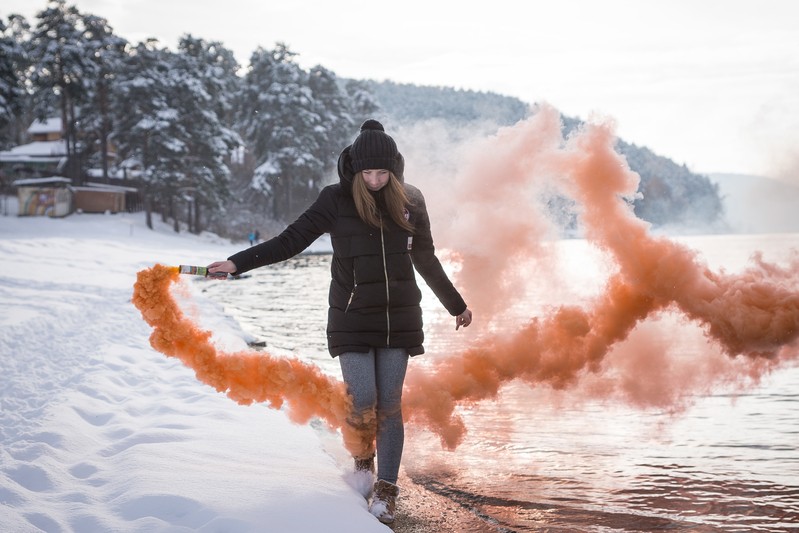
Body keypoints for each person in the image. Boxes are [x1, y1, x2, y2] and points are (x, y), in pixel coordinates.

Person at [208, 119, 472, 525]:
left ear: (395, 168)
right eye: (368, 172)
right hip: (350, 317)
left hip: (400, 318)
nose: (375, 180)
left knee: (389, 406)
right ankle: (362, 465)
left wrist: (456, 305)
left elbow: (425, 258)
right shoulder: (335, 199)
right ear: (354, 167)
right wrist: (238, 263)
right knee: (361, 400)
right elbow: (290, 240)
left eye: (383, 172)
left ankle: (386, 489)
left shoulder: (411, 201)